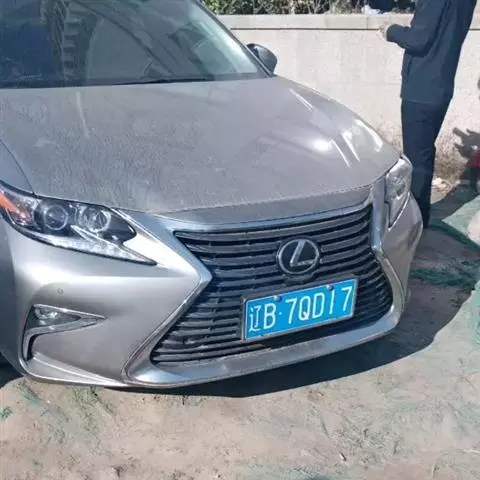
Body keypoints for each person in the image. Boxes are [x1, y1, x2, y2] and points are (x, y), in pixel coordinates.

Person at [379, 0, 477, 227]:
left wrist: (391, 31)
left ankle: (416, 222)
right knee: (424, 153)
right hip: (441, 85)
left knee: (416, 160)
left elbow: (418, 39)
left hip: (421, 87)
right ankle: (421, 215)